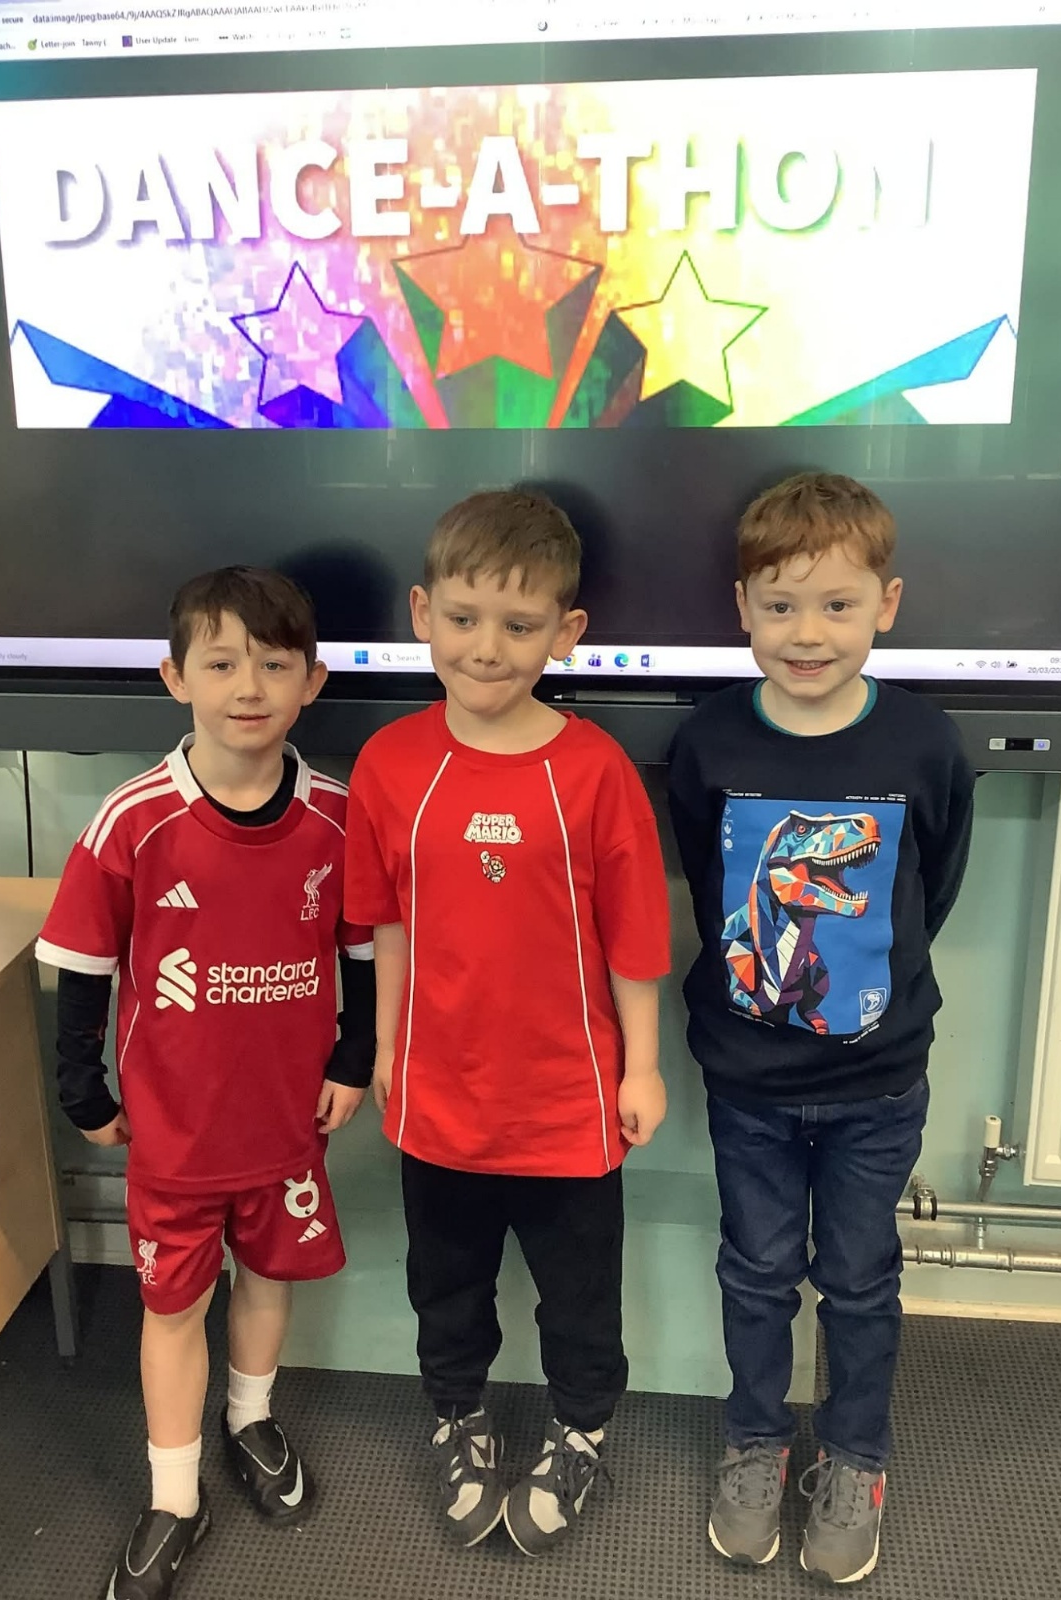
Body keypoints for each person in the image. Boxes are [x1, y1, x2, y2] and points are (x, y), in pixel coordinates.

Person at [36, 567, 376, 1600]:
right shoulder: (132, 819)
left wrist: (353, 1057)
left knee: (267, 1277)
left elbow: (364, 952)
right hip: (174, 1135)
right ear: (175, 676)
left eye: (274, 664)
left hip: (287, 1125)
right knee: (173, 1305)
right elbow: (83, 963)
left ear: (313, 682)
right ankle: (175, 1496)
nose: (249, 687)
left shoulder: (337, 816)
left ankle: (251, 1418)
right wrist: (82, 1086)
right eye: (221, 663)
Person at [342, 490, 670, 1556]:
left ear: (565, 633)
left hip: (567, 1102)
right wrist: (388, 1044)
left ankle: (580, 1431)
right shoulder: (390, 764)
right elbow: (386, 922)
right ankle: (459, 1417)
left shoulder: (596, 770)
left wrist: (642, 1068)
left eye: (519, 625)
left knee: (579, 1296)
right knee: (445, 1284)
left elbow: (634, 941)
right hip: (439, 1095)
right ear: (422, 613)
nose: (487, 648)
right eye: (464, 618)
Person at [668, 472, 974, 1585]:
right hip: (747, 1080)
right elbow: (707, 882)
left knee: (859, 1280)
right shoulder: (707, 743)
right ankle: (757, 1442)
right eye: (782, 605)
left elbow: (931, 889)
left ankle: (856, 1460)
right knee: (755, 1273)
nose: (808, 633)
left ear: (885, 604)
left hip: (877, 1087)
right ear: (743, 608)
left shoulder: (926, 744)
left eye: (838, 605)